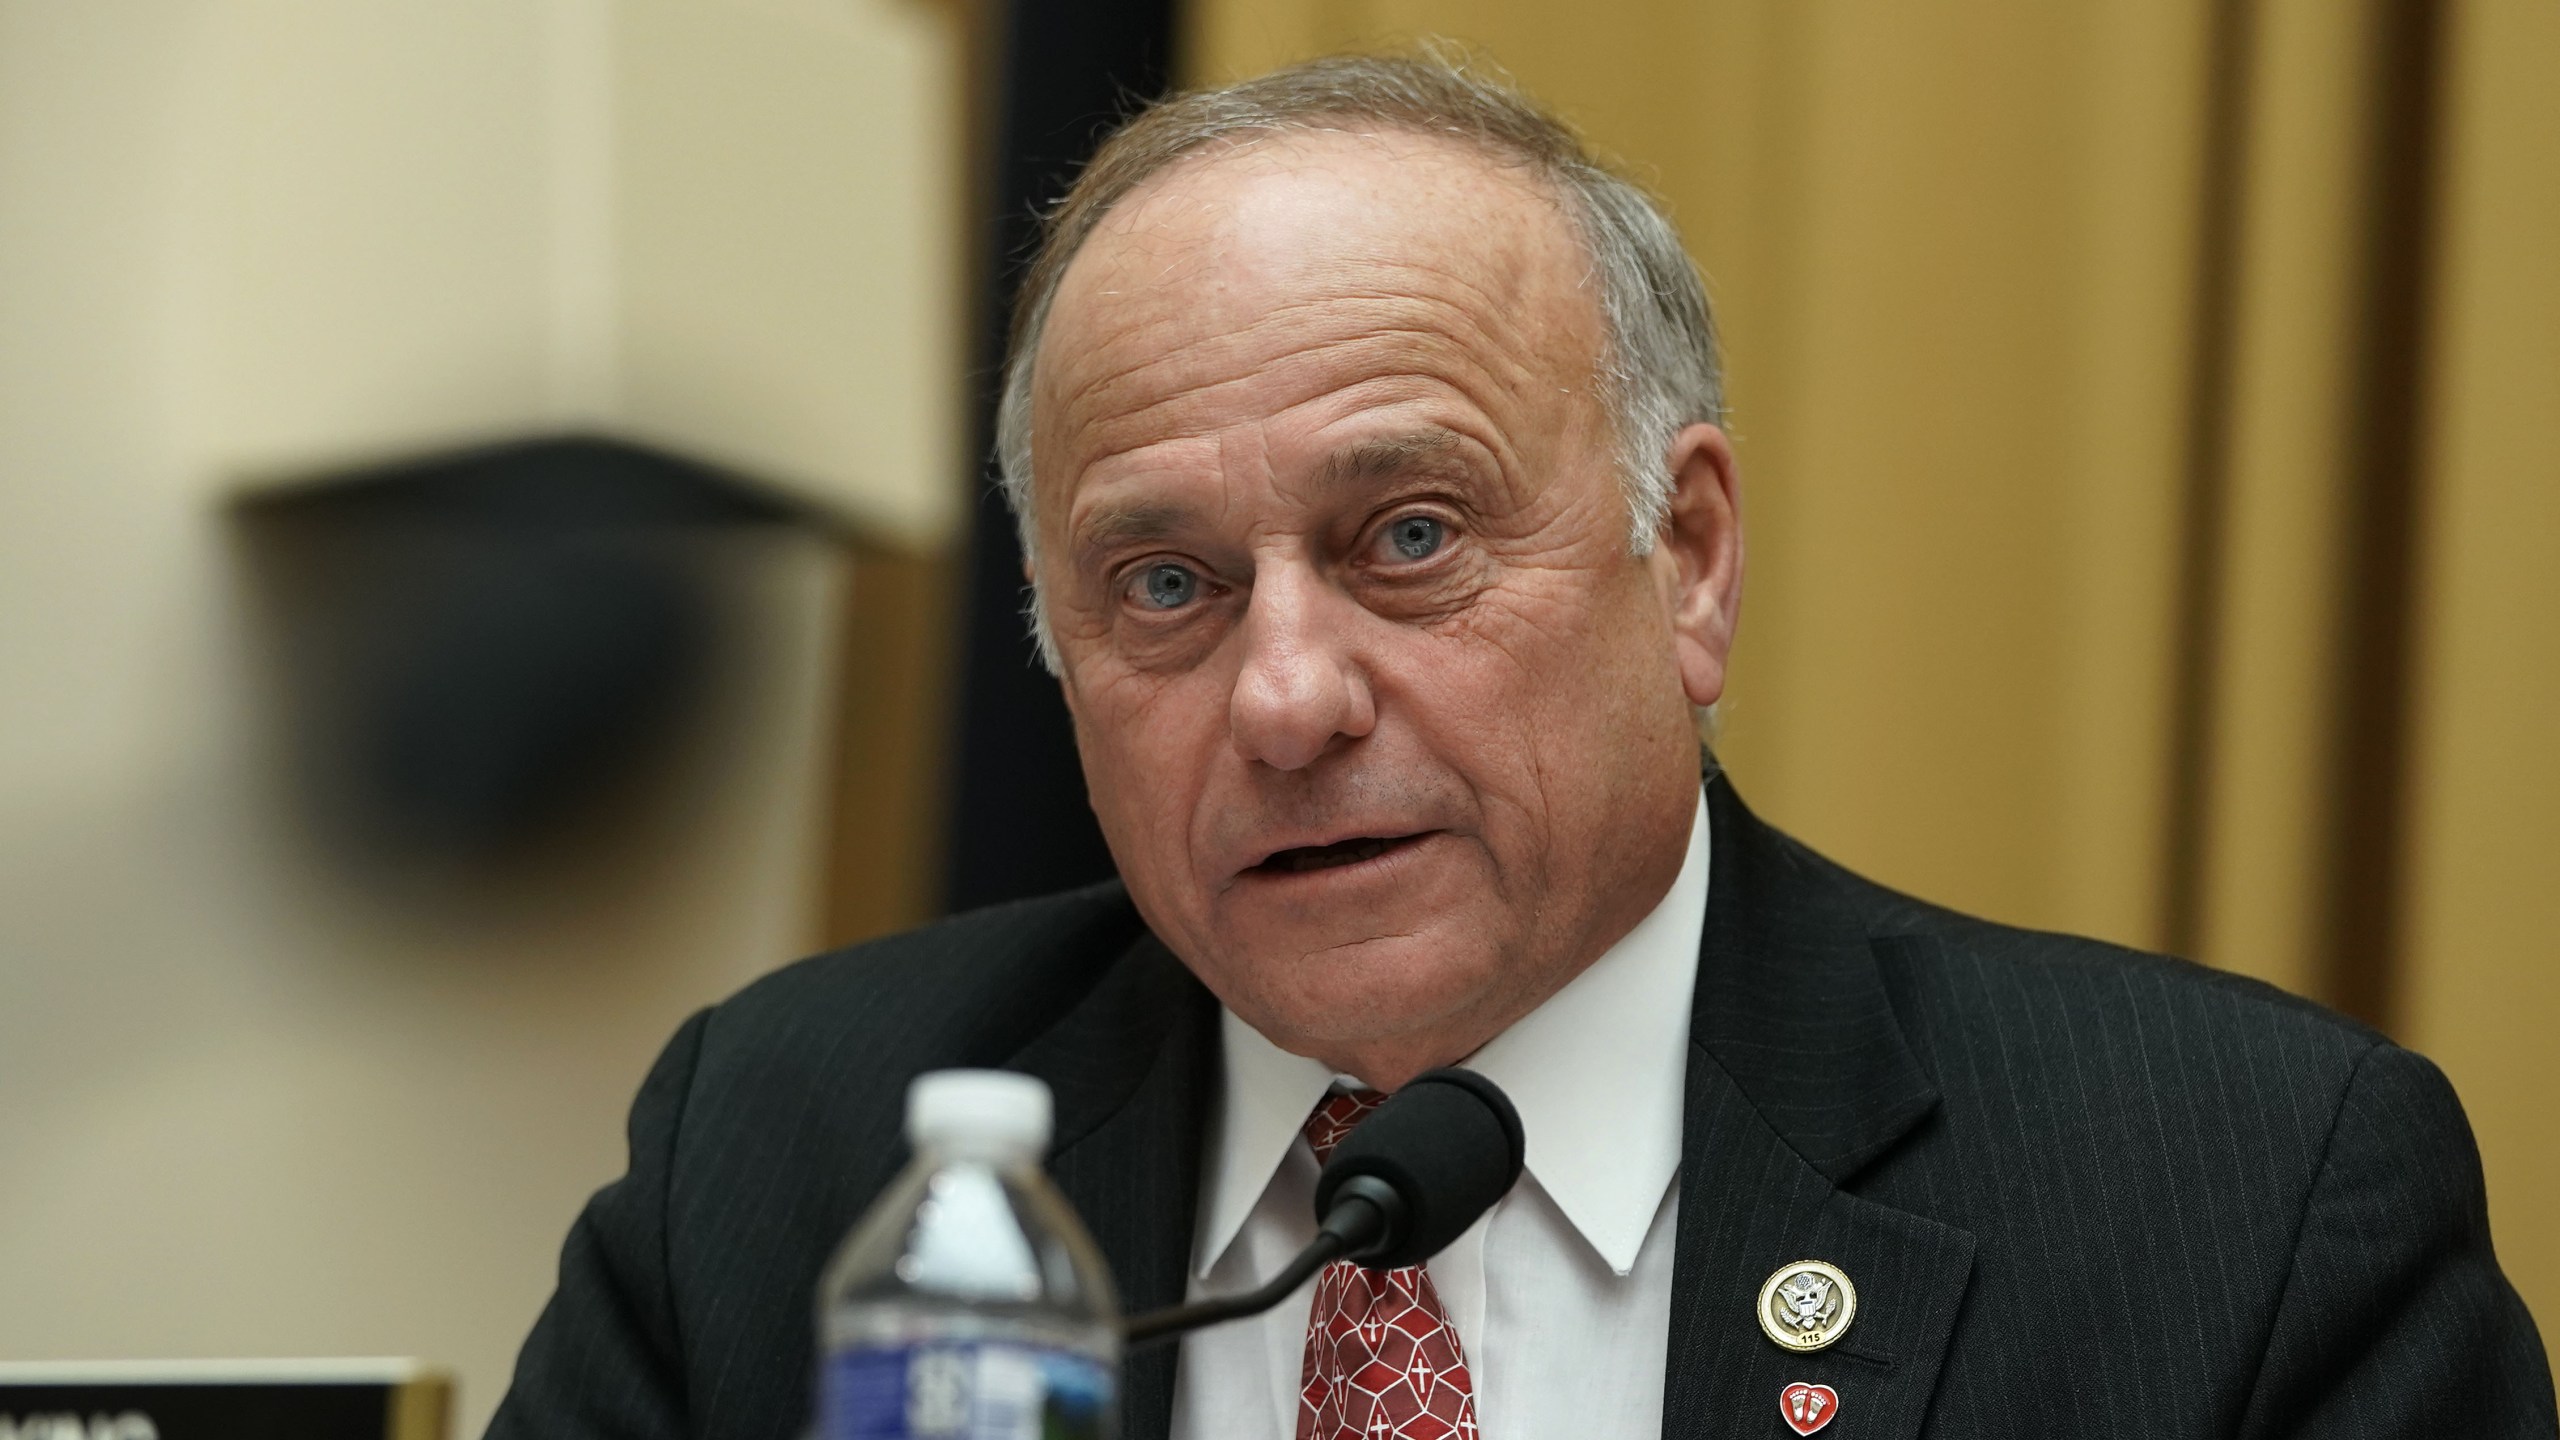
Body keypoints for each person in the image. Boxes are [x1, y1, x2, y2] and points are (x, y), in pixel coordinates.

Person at [487, 54, 2554, 1440]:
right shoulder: (786, 1157)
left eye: (1407, 537)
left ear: (1688, 560)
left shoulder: (2236, 1202)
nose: (1287, 701)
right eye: (1164, 585)